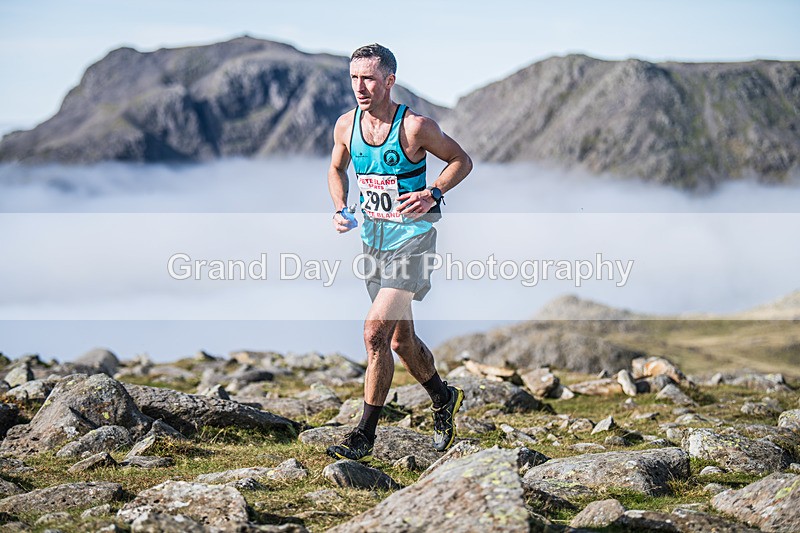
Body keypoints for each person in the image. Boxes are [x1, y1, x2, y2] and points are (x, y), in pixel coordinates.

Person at [326, 44, 473, 461]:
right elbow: (337, 168)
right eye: (354, 78)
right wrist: (340, 207)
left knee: (374, 332)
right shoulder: (345, 126)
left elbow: (461, 160)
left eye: (369, 78)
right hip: (374, 242)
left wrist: (433, 191)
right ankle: (444, 398)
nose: (360, 87)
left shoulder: (415, 127)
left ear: (389, 81)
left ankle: (363, 436)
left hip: (414, 241)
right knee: (400, 343)